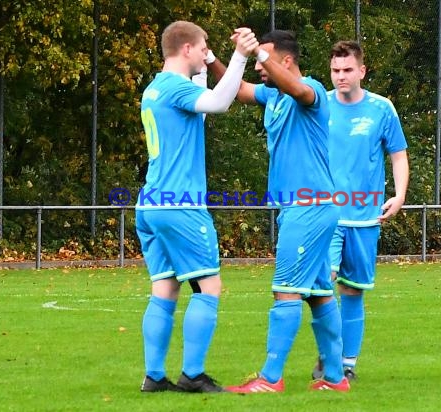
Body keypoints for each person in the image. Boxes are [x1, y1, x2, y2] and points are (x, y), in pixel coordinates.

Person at [209, 29, 350, 393]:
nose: (259, 67)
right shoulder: (272, 94)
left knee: (285, 291)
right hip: (304, 208)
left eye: (264, 60)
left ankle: (270, 378)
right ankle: (335, 379)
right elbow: (237, 90)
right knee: (319, 294)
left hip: (309, 207)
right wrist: (211, 59)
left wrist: (259, 53)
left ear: (285, 61)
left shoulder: (313, 89)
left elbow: (299, 90)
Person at [136, 21, 259, 393]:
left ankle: (154, 377)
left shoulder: (156, 88)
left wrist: (206, 69)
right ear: (186, 47)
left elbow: (201, 110)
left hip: (151, 203)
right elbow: (220, 104)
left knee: (165, 288)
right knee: (210, 286)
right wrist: (239, 56)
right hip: (181, 204)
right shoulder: (174, 87)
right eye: (203, 46)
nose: (206, 50)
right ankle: (193, 375)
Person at [312, 40, 409, 382]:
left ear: (362, 71)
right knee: (324, 284)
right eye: (335, 70)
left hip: (366, 217)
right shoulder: (318, 103)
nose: (341, 76)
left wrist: (399, 195)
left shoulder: (382, 109)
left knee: (352, 291)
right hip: (326, 214)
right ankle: (328, 355)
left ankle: (347, 363)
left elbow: (398, 154)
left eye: (347, 70)